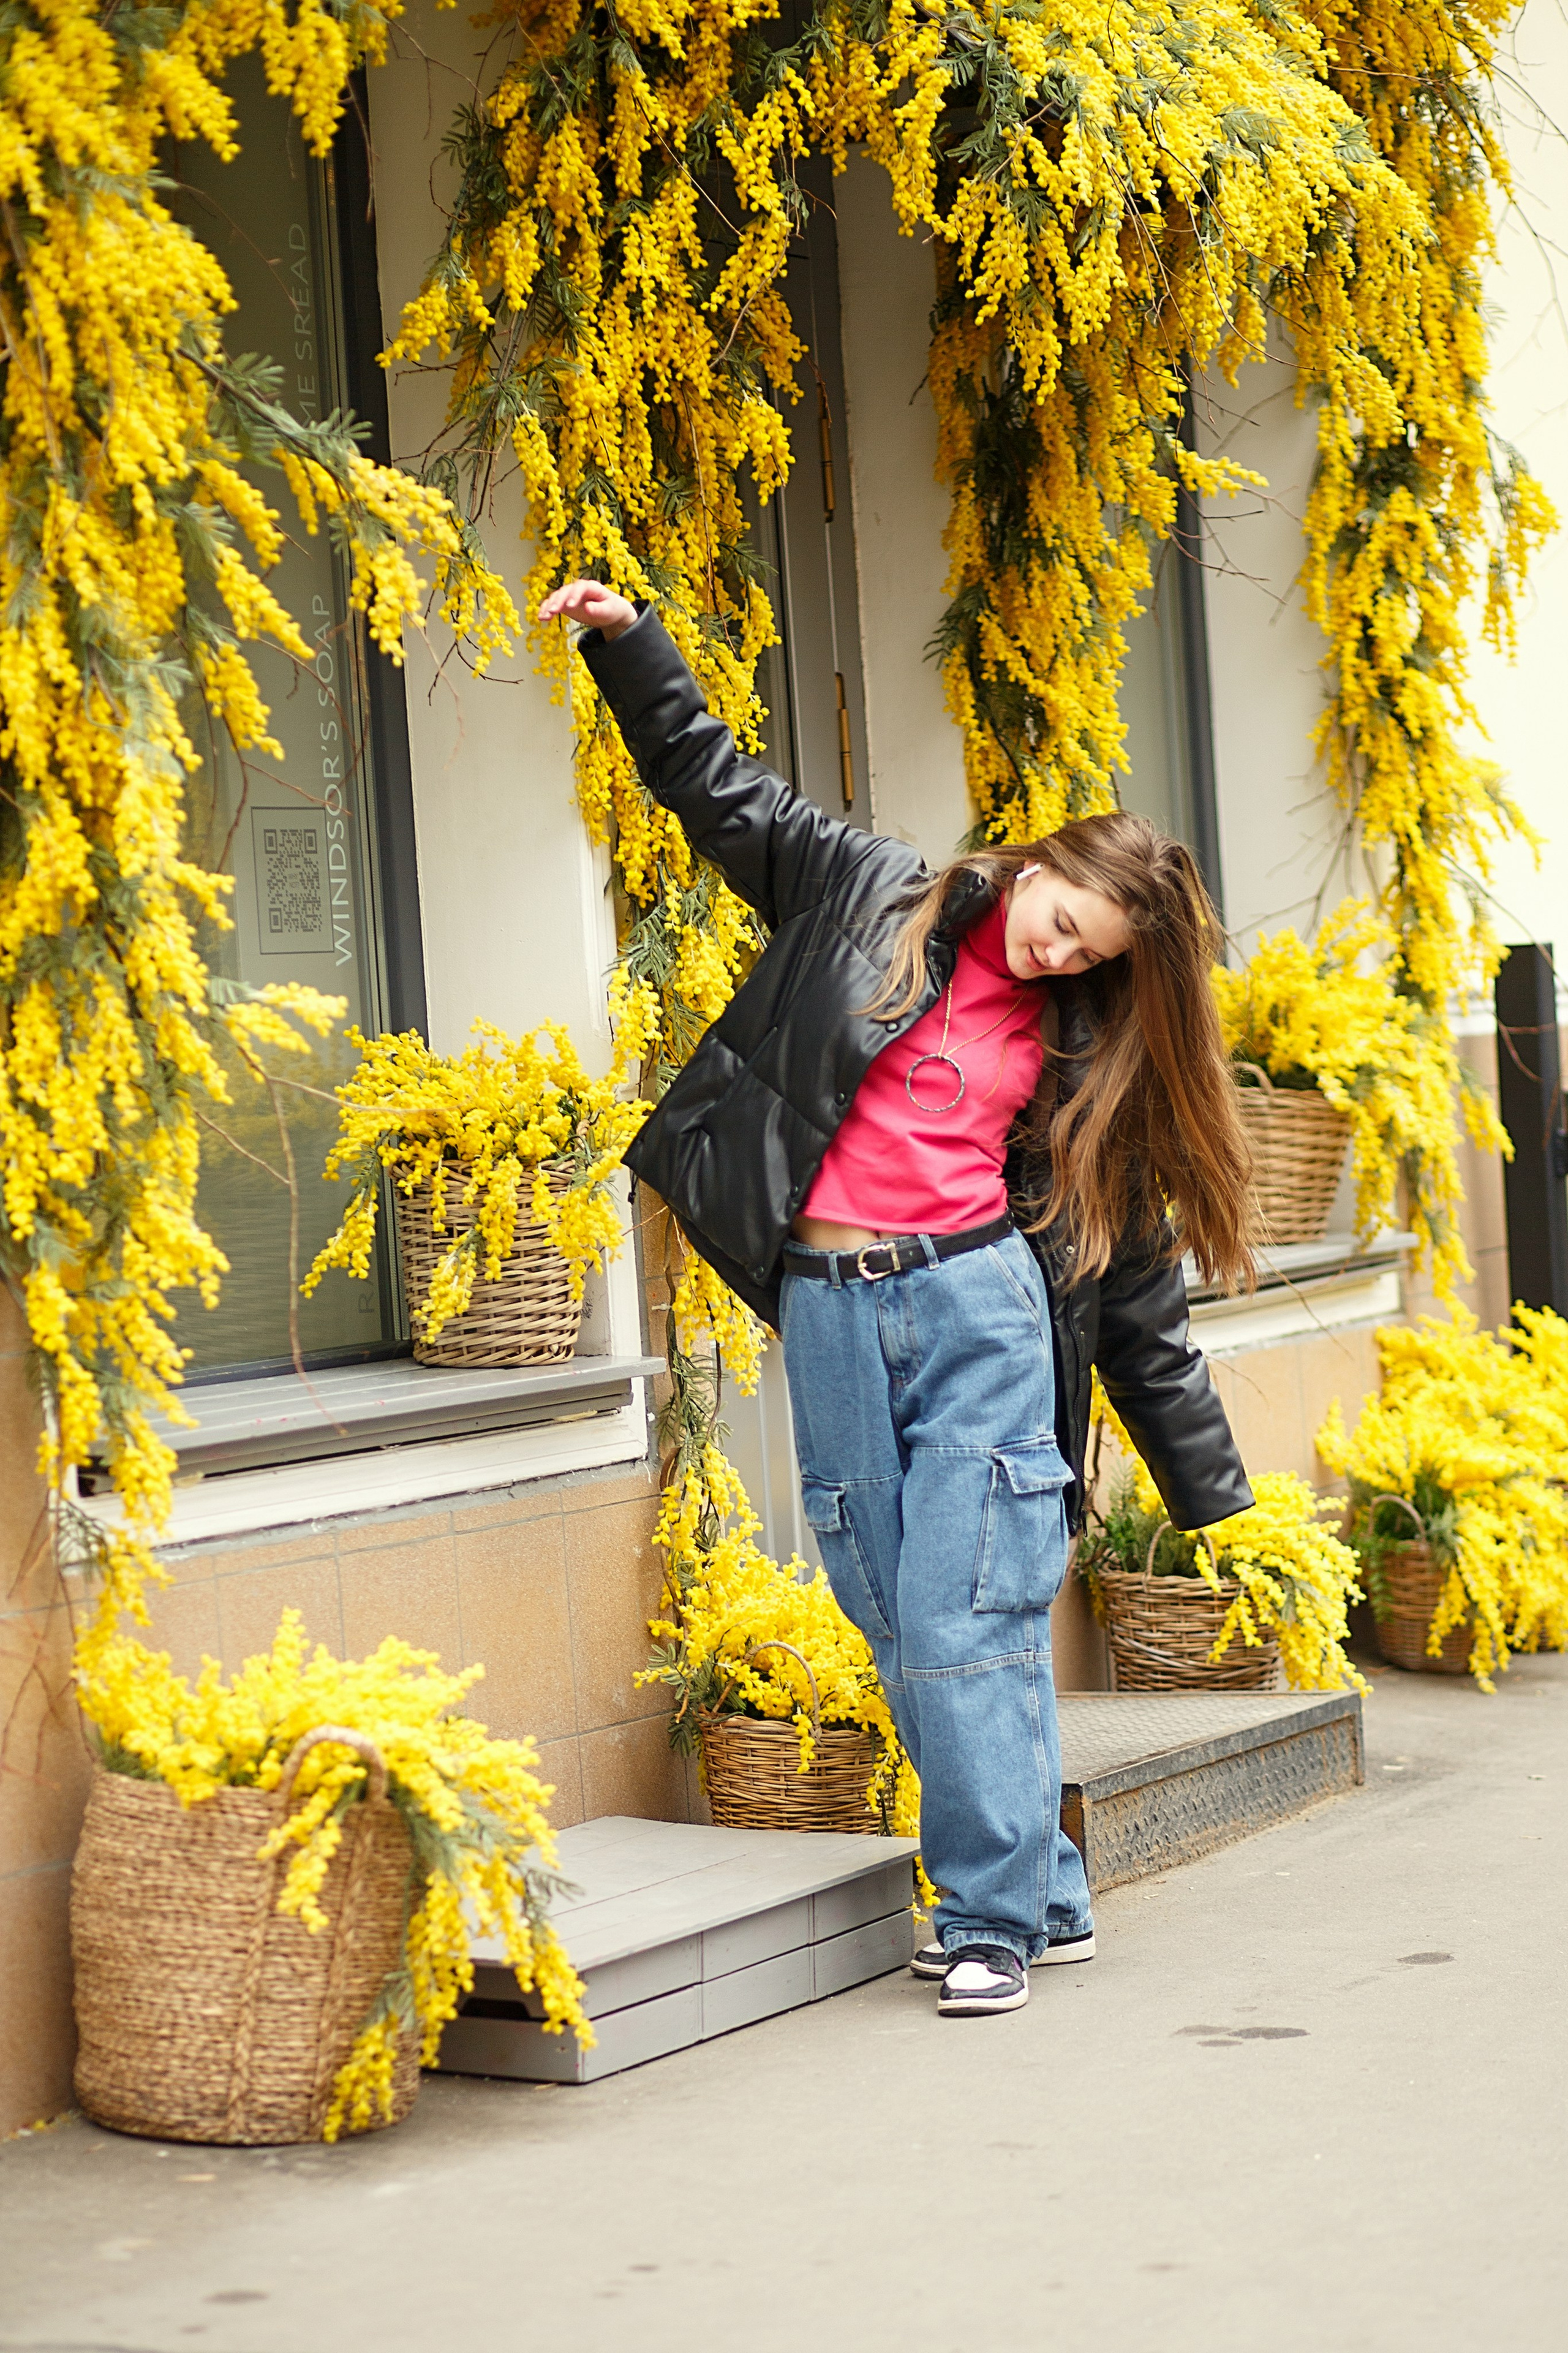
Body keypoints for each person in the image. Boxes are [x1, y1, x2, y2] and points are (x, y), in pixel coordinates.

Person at [540, 577, 1256, 2019]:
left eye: (1090, 955)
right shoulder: (864, 887)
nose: (1056, 953)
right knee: (895, 1608)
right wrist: (633, 648)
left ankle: (985, 1913)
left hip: (979, 1307)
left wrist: (1211, 1492)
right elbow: (715, 786)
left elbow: (1131, 1290)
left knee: (959, 1610)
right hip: (827, 1304)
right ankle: (1049, 1893)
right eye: (1062, 919)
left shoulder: (1082, 1060)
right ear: (1035, 861)